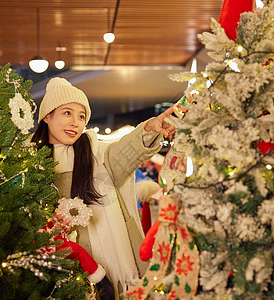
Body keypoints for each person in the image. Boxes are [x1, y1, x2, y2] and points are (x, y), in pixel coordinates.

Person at [31, 77, 175, 299]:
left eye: (81, 117)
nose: (75, 123)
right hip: (67, 269)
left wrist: (149, 129)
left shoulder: (98, 154)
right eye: (67, 113)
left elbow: (126, 152)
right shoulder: (29, 162)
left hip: (116, 263)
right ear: (47, 116)